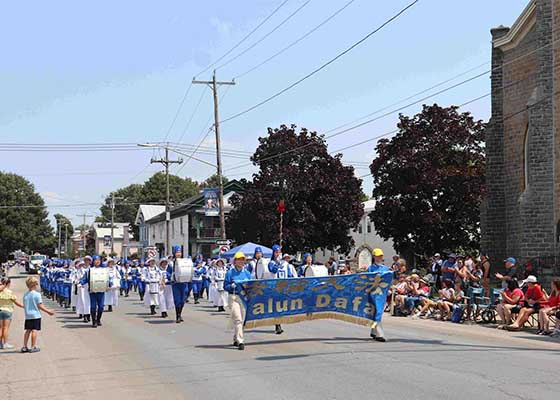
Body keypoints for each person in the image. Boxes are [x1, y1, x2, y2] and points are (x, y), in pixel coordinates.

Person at [224, 252, 252, 350]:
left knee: (242, 320)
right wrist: (231, 286)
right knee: (238, 318)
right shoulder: (230, 273)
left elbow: (251, 286)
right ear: (235, 261)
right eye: (238, 259)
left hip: (244, 298)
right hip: (234, 297)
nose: (240, 261)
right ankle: (241, 341)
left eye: (242, 259)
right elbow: (225, 286)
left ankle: (236, 337)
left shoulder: (247, 273)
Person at [21, 277, 54, 353]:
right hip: (35, 315)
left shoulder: (26, 295)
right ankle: (33, 346)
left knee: (27, 330)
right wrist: (48, 311)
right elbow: (40, 305)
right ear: (35, 284)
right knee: (34, 330)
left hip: (28, 315)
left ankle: (25, 346)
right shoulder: (37, 295)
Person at [268, 252, 298, 335]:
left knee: (282, 306)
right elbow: (273, 270)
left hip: (283, 288)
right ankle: (278, 325)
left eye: (279, 252)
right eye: (276, 252)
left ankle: (278, 323)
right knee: (277, 306)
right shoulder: (271, 263)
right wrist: (277, 263)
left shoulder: (286, 265)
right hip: (275, 287)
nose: (278, 254)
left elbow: (289, 275)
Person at [80, 255, 108, 328]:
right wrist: (80, 283)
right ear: (93, 261)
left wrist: (110, 284)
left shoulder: (104, 270)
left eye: (99, 260)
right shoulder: (90, 270)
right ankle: (94, 321)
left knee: (101, 307)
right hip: (92, 291)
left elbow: (108, 278)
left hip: (101, 291)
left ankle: (98, 319)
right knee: (93, 307)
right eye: (96, 260)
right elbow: (84, 278)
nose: (97, 261)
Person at [0, 278, 24, 349]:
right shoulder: (9, 292)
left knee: (1, 328)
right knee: (6, 328)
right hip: (8, 311)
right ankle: (5, 343)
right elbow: (16, 302)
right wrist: (24, 306)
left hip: (0, 310)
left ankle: (0, 343)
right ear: (8, 284)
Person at [170, 246, 188, 323]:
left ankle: (180, 314)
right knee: (177, 300)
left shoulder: (184, 261)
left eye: (179, 252)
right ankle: (178, 315)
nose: (178, 254)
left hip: (184, 283)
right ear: (174, 253)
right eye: (177, 252)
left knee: (183, 300)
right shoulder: (171, 263)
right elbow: (167, 272)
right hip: (175, 283)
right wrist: (170, 277)